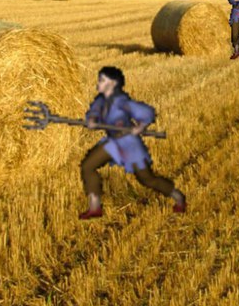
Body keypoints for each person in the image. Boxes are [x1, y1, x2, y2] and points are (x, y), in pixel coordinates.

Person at [78, 66, 186, 219]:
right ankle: (95, 207)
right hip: (113, 143)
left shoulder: (122, 102)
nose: (98, 83)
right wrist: (91, 121)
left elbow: (147, 112)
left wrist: (140, 127)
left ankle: (178, 196)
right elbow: (93, 113)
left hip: (129, 144)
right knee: (87, 166)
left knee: (147, 179)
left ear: (112, 83)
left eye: (102, 80)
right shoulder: (100, 101)